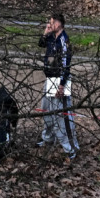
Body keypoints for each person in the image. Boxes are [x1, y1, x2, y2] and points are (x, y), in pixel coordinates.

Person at [38, 13, 78, 161]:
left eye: (52, 23)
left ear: (59, 23)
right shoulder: (50, 37)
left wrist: (61, 85)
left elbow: (66, 65)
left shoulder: (64, 41)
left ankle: (71, 147)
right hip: (49, 79)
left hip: (61, 81)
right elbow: (40, 44)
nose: (50, 25)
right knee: (46, 110)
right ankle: (48, 138)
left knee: (62, 116)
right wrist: (45, 33)